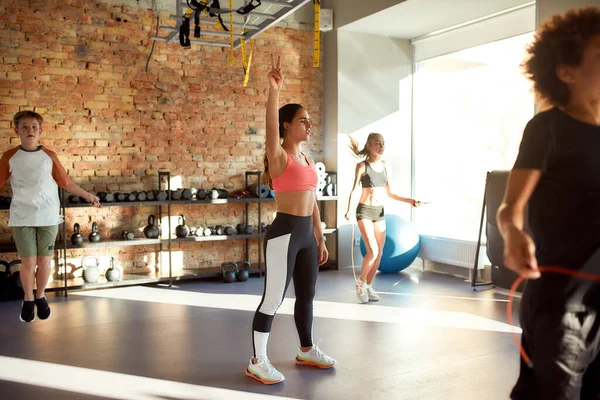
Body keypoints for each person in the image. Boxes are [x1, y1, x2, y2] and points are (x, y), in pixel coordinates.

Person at [497, 7, 600, 399]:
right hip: (561, 309)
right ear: (567, 72)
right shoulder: (547, 129)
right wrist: (513, 234)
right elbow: (510, 209)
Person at [246, 55, 336, 385]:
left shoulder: (308, 158)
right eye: (303, 120)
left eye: (310, 120)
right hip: (284, 232)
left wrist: (320, 236)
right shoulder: (279, 155)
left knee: (308, 296)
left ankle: (307, 349)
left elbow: (312, 199)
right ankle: (258, 360)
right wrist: (274, 91)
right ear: (287, 126)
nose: (309, 125)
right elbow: (270, 127)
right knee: (273, 299)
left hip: (306, 237)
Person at [0, 110, 101, 323]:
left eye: (34, 127)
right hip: (22, 217)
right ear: (16, 130)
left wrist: (88, 195)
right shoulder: (10, 156)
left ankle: (41, 295)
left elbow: (66, 182)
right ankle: (28, 299)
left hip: (48, 216)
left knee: (45, 261)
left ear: (40, 130)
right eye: (25, 127)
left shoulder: (49, 156)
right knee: (28, 262)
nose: (30, 130)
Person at [344, 133, 421, 303]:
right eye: (377, 143)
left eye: (383, 143)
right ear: (369, 146)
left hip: (379, 212)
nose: (381, 146)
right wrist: (349, 209)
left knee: (379, 254)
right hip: (364, 211)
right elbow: (355, 189)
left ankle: (369, 286)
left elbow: (390, 192)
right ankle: (361, 284)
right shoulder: (362, 166)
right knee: (372, 251)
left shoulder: (386, 166)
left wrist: (410, 200)